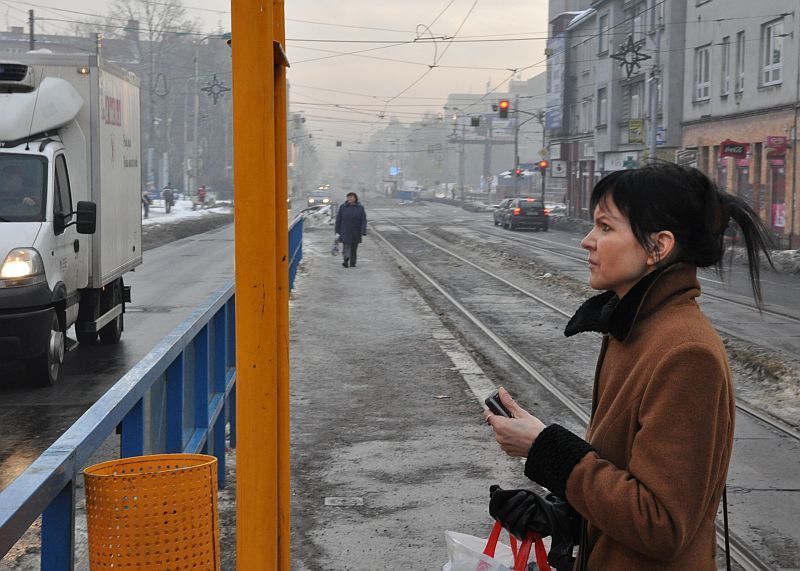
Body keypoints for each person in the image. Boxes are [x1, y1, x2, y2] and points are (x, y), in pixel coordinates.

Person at [485, 162, 774, 570]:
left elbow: (660, 525)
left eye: (605, 227)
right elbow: (622, 474)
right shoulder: (634, 327)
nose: (587, 241)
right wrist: (559, 509)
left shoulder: (685, 353)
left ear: (658, 247)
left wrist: (545, 449)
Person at [334, 192, 367, 268]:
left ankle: (353, 262)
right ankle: (346, 259)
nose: (350, 199)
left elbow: (363, 220)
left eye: (351, 197)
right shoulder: (343, 207)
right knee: (346, 246)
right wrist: (337, 231)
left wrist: (363, 230)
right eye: (348, 197)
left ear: (355, 198)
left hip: (356, 231)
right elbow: (338, 219)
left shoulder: (360, 208)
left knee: (354, 248)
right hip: (345, 230)